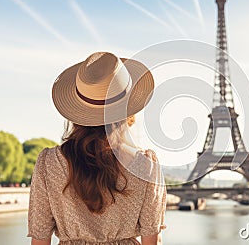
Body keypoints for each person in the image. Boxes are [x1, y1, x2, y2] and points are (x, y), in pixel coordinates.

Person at [27, 52, 166, 245]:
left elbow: (40, 238)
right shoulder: (146, 165)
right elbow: (152, 240)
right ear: (127, 110)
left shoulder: (49, 163)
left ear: (77, 110)